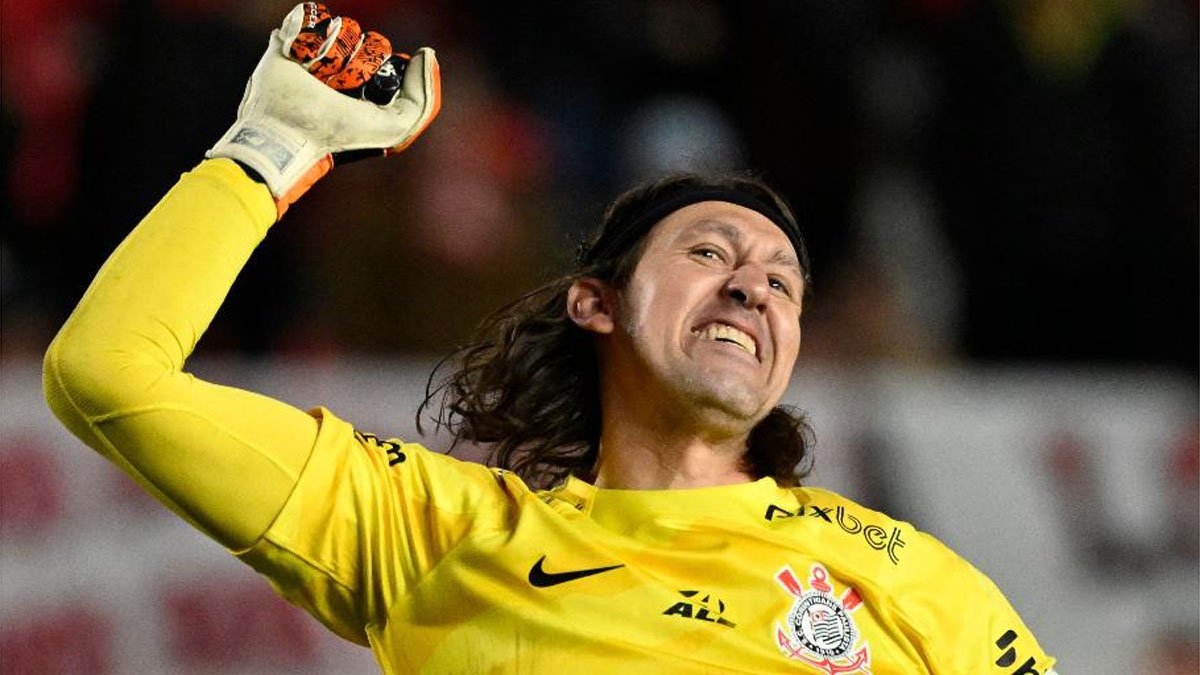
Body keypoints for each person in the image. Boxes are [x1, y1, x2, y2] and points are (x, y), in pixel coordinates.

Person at [44, 4, 1057, 673]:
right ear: (595, 303)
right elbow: (107, 372)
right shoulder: (433, 533)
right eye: (710, 251)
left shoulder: (915, 581)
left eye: (785, 282)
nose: (756, 285)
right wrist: (270, 148)